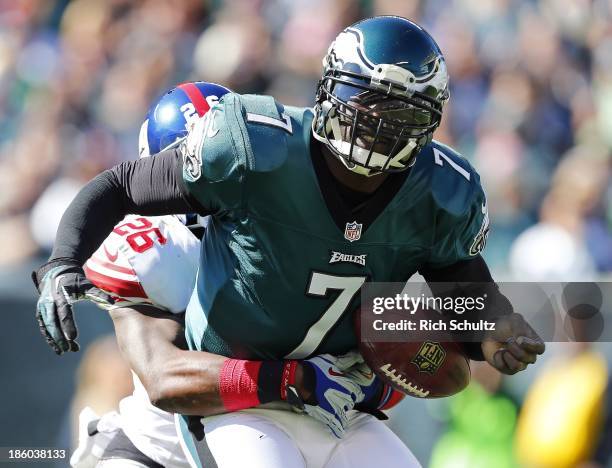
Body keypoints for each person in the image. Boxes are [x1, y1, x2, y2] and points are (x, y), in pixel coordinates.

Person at [33, 16, 544, 468]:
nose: (378, 131)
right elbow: (166, 380)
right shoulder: (235, 170)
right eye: (366, 108)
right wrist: (63, 261)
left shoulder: (438, 192)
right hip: (213, 419)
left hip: (332, 416)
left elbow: (468, 300)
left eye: (400, 119)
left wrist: (493, 333)